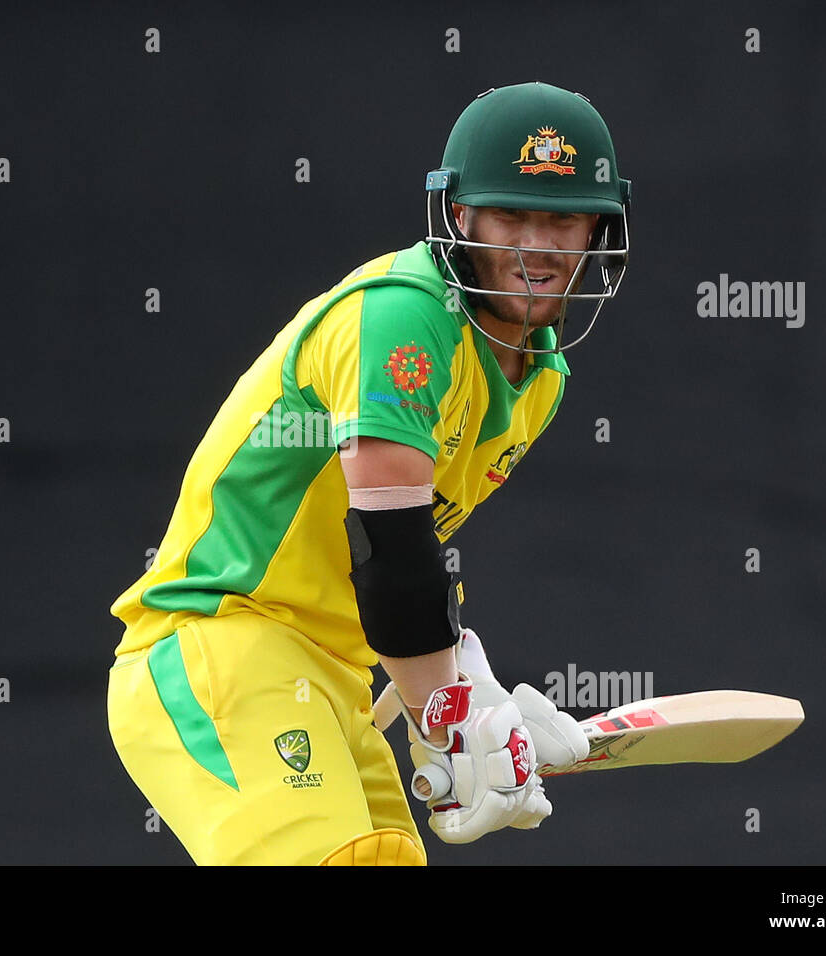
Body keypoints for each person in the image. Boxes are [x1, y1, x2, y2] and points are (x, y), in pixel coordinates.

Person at [107, 81, 631, 865]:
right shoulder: (404, 316)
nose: (537, 244)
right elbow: (389, 550)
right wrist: (451, 720)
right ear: (460, 216)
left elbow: (391, 570)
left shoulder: (540, 380)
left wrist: (467, 688)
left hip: (336, 677)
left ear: (597, 227)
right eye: (510, 215)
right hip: (220, 642)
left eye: (560, 217)